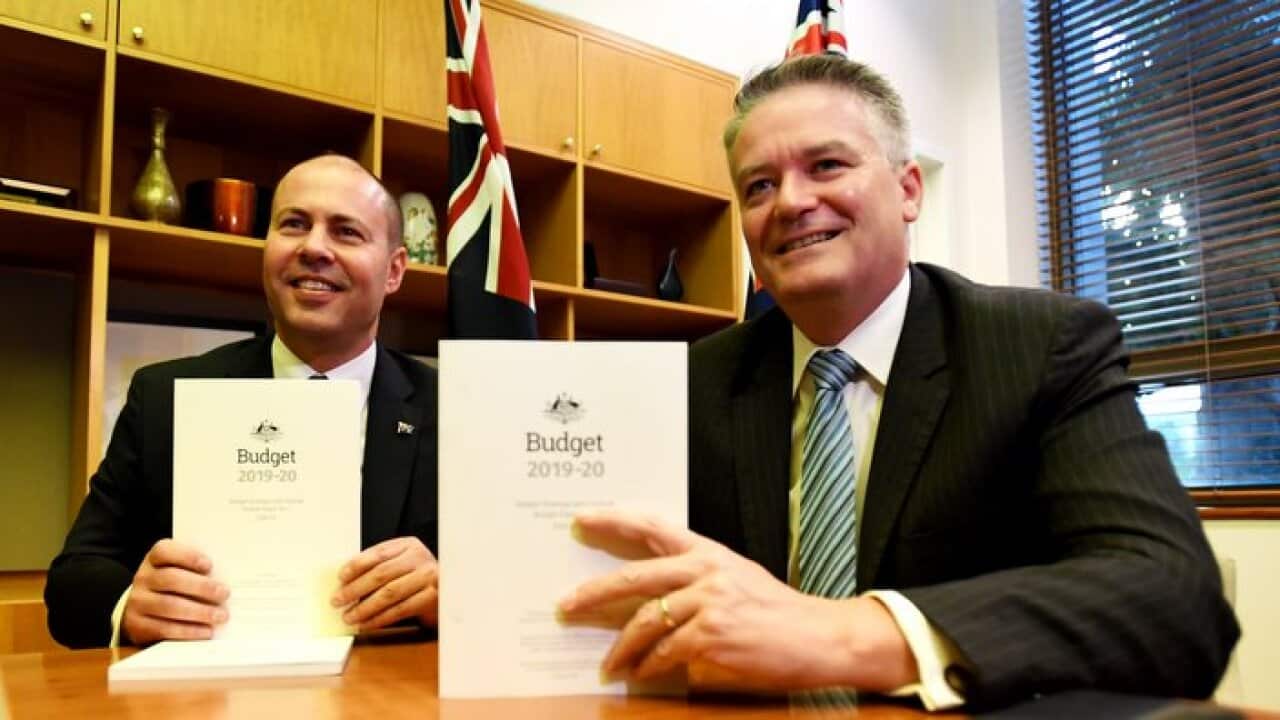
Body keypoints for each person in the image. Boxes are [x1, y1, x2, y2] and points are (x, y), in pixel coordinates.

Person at [558, 55, 1239, 710]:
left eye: (826, 165)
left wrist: (842, 634)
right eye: (758, 186)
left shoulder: (1041, 347)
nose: (791, 202)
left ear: (909, 189)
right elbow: (598, 566)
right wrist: (475, 584)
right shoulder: (693, 379)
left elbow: (1174, 600)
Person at [46, 154, 439, 648]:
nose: (314, 247)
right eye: (294, 224)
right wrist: (129, 603)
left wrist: (454, 594)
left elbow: (522, 583)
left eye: (346, 232)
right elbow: (73, 582)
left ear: (394, 270)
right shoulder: (165, 398)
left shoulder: (456, 411)